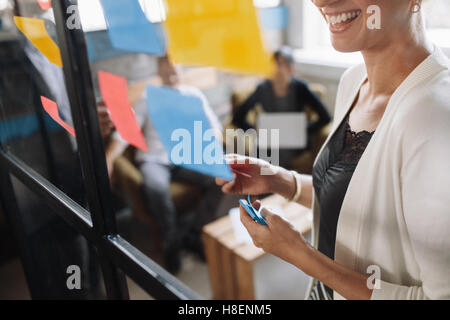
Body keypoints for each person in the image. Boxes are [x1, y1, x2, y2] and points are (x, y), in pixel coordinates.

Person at [217, 0, 450, 300]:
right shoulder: (353, 81)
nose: (321, 1)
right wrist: (277, 179)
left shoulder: (436, 119)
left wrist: (301, 255)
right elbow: (356, 207)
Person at [105, 55, 222, 273]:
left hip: (188, 157)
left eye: (175, 69)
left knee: (222, 177)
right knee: (157, 189)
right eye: (167, 69)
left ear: (181, 69)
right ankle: (171, 243)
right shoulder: (148, 99)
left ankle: (193, 234)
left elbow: (214, 127)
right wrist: (109, 158)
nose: (171, 74)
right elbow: (124, 132)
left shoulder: (193, 95)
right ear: (159, 71)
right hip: (155, 160)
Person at [232, 46, 331, 168]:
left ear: (291, 68)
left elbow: (325, 117)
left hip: (295, 140)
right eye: (272, 65)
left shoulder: (301, 88)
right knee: (265, 152)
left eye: (280, 64)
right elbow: (237, 118)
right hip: (270, 138)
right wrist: (255, 130)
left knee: (278, 154)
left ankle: (280, 181)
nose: (275, 69)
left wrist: (304, 129)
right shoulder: (263, 88)